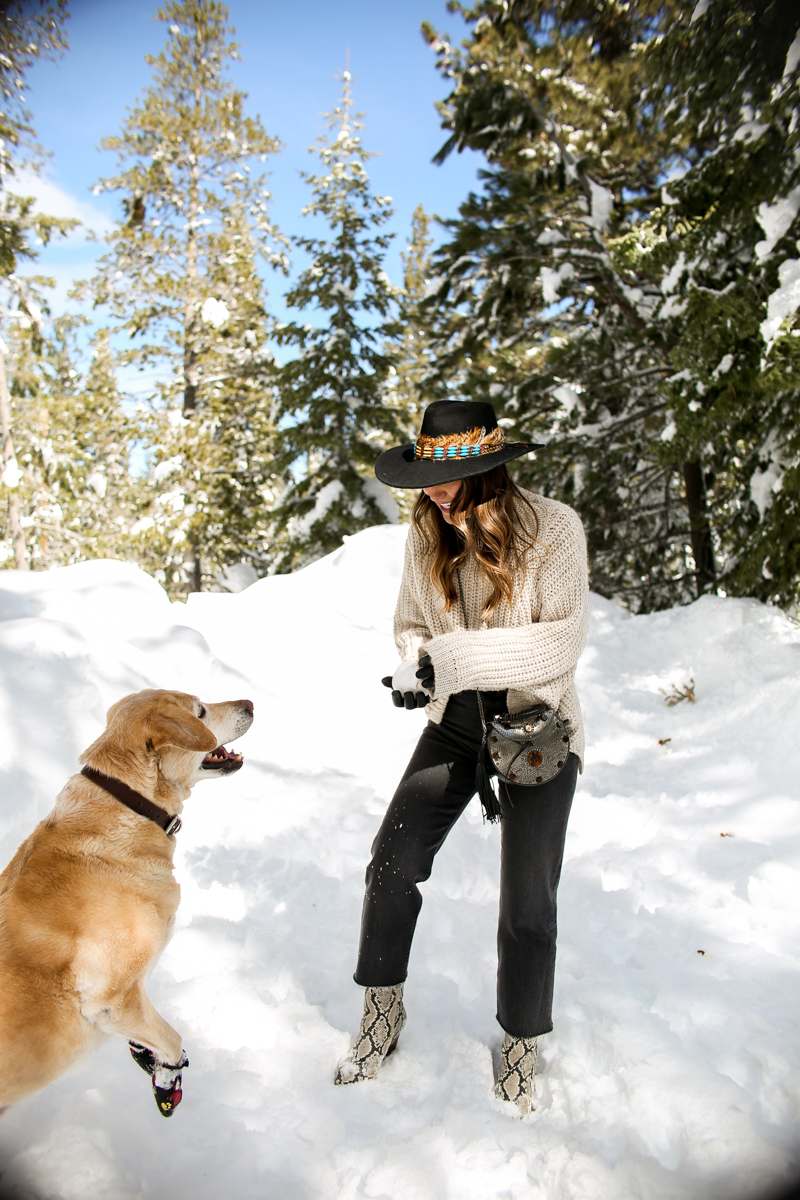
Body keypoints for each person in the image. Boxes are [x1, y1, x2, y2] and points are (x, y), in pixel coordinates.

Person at [334, 399, 589, 1115]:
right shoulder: (427, 535)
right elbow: (411, 624)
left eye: (449, 481)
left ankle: (519, 1041)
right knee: (391, 862)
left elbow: (559, 645)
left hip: (536, 730)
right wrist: (416, 665)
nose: (434, 495)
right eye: (428, 481)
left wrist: (444, 658)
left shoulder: (555, 530)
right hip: (455, 725)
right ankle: (383, 1009)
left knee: (527, 904)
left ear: (488, 471)